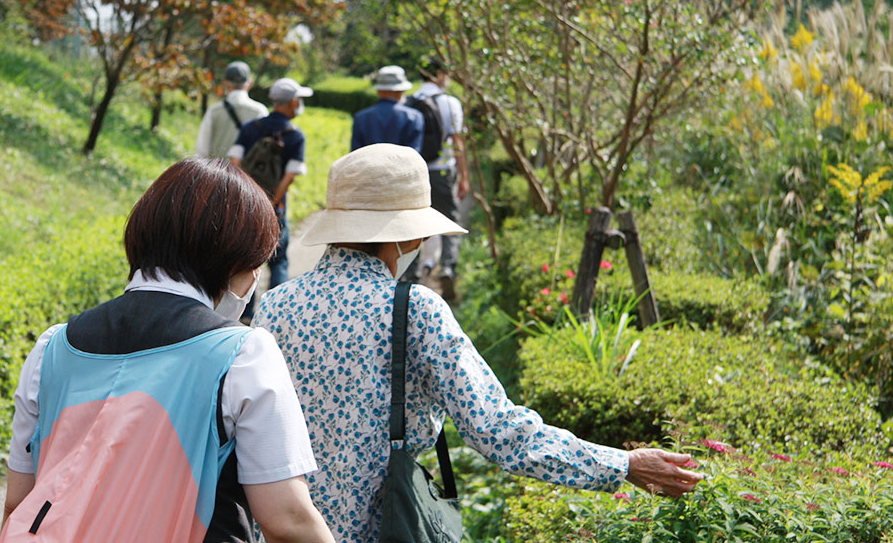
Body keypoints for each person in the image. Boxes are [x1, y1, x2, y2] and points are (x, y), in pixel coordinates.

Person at [254, 144, 703, 542]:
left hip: (279, 530)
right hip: (382, 528)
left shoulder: (273, 307)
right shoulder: (416, 311)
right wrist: (622, 464)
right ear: (410, 234)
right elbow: (499, 432)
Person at [0, 159, 333, 543]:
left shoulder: (54, 346)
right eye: (255, 264)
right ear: (234, 260)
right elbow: (288, 519)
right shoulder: (243, 354)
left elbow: (18, 502)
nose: (256, 278)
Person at [229, 77, 311, 313]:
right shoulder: (295, 136)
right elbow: (291, 174)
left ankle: (243, 313)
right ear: (293, 102)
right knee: (279, 260)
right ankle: (278, 312)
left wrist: (248, 196)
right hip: (276, 207)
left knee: (247, 258)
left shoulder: (250, 128)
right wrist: (272, 200)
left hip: (246, 204)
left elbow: (235, 163)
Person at [406, 59, 471, 300]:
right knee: (450, 222)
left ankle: (410, 276)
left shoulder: (410, 101)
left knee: (412, 224)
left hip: (415, 171)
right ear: (441, 75)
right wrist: (464, 176)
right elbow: (457, 142)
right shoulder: (450, 103)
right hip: (443, 171)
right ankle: (448, 268)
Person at [196, 60, 269, 159]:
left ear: (225, 83)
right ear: (249, 83)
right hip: (244, 173)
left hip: (216, 172)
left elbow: (202, 149)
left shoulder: (214, 110)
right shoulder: (260, 111)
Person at [350, 65, 424, 151]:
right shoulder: (413, 117)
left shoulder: (361, 117)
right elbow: (415, 155)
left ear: (378, 91)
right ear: (400, 91)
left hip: (370, 164)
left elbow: (355, 155)